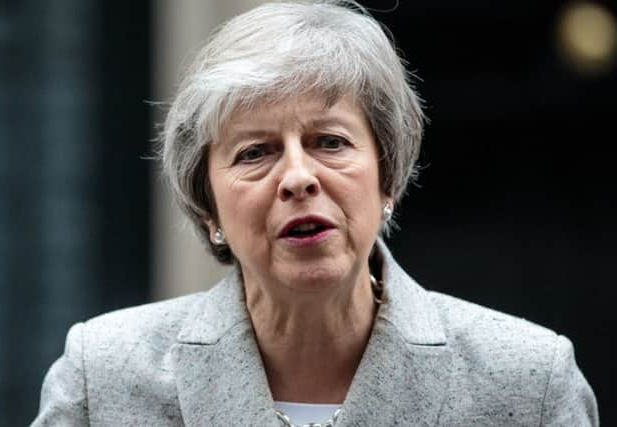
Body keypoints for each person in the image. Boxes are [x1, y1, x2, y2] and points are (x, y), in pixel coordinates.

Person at [31, 1, 598, 426]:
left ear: (387, 179)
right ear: (209, 209)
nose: (299, 177)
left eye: (329, 141)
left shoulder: (528, 381)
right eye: (255, 153)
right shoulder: (102, 378)